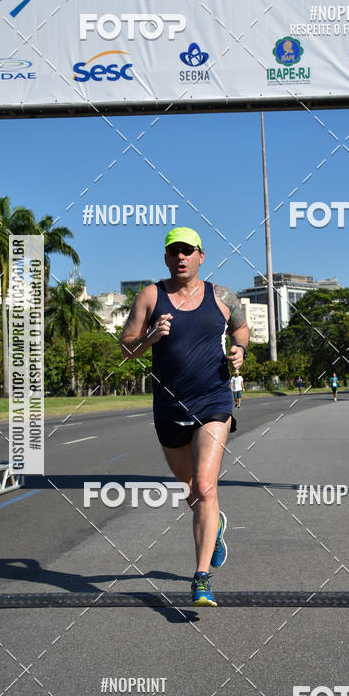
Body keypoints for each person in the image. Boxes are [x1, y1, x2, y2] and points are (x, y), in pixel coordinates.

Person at [120, 227, 249, 607]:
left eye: (188, 251)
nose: (181, 257)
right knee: (192, 490)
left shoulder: (222, 296)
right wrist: (150, 338)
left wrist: (239, 349)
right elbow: (126, 348)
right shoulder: (150, 296)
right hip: (170, 407)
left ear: (201, 256)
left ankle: (201, 578)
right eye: (174, 251)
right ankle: (215, 525)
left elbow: (241, 329)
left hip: (214, 401)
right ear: (166, 257)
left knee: (206, 487)